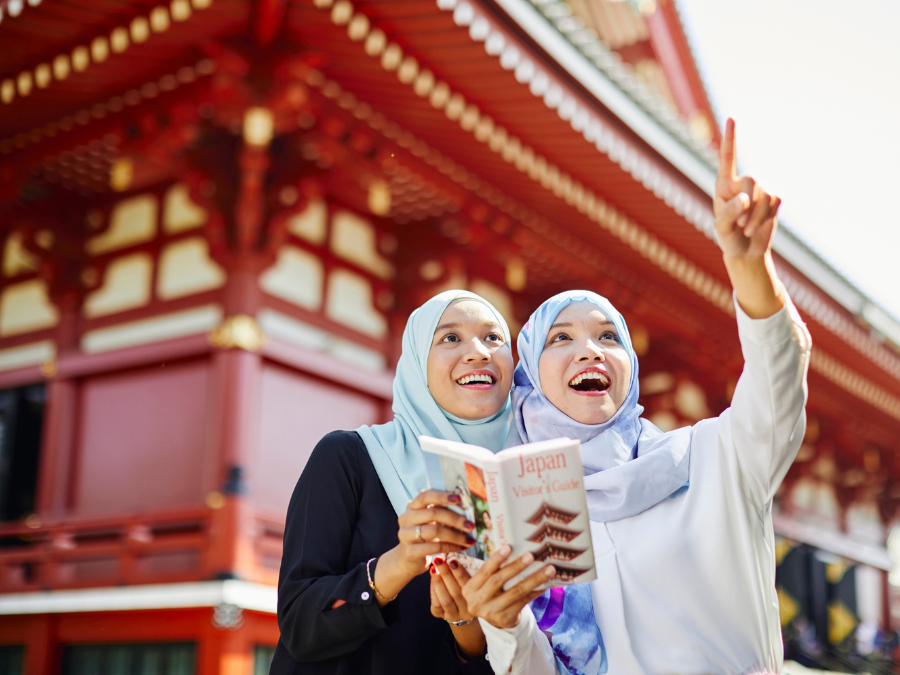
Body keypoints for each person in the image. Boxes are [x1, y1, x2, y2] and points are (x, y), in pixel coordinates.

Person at [454, 118, 812, 675]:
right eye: (560, 339)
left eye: (608, 336)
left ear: (632, 368)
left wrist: (749, 267)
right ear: (528, 375)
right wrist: (505, 624)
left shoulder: (717, 457)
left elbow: (778, 376)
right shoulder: (522, 510)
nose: (589, 352)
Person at [270, 290, 514, 674]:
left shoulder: (523, 485)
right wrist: (401, 563)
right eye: (450, 337)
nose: (479, 352)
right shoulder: (350, 457)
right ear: (417, 363)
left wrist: (466, 628)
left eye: (494, 338)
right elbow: (301, 625)